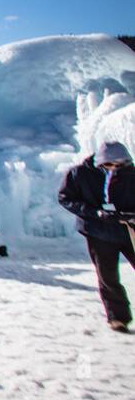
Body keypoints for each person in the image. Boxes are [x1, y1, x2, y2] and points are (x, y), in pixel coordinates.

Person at [58, 141, 135, 332]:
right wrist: (94, 213)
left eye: (120, 165)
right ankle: (118, 317)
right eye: (110, 165)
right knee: (107, 275)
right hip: (98, 231)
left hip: (129, 229)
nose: (115, 168)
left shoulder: (131, 174)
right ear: (100, 162)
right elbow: (65, 198)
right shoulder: (79, 174)